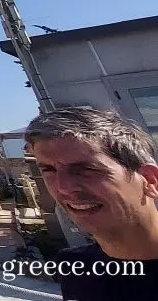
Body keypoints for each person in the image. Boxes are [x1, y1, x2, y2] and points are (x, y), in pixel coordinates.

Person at [24, 106, 158, 299]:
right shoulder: (76, 267)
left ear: (149, 180)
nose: (64, 187)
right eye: (49, 170)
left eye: (87, 169)